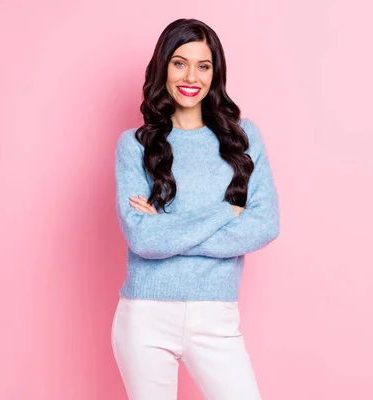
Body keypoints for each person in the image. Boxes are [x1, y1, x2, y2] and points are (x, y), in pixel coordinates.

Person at [111, 18, 280, 400]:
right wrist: (226, 212)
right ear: (163, 67)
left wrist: (168, 229)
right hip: (146, 317)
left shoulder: (243, 137)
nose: (191, 76)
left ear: (215, 73)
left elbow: (265, 224)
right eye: (179, 62)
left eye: (203, 66)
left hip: (215, 316)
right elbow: (143, 240)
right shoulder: (134, 145)